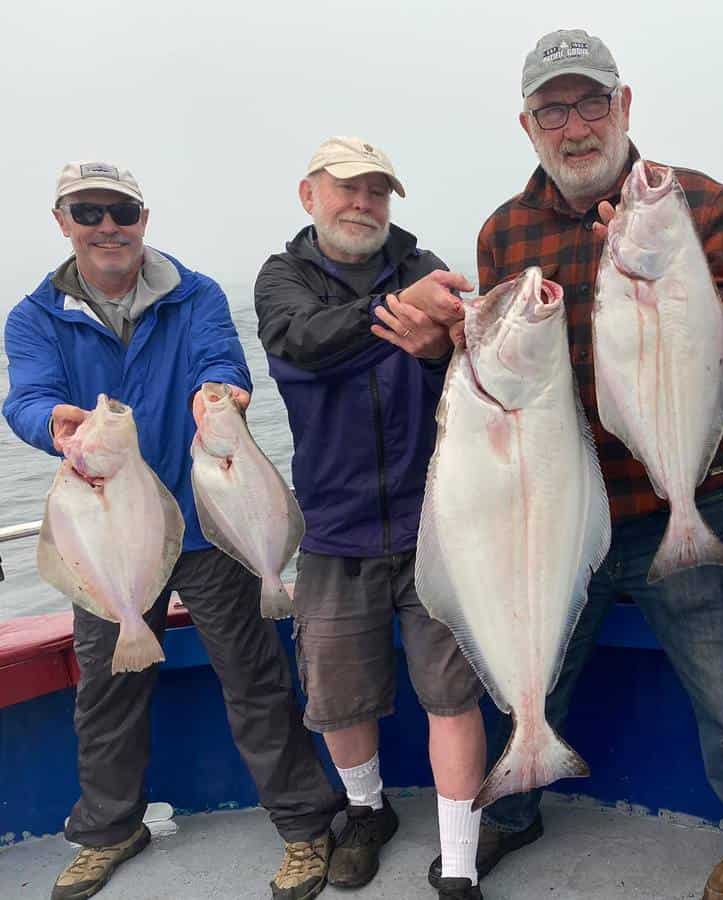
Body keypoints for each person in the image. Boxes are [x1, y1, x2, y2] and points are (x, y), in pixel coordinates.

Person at [429, 30, 723, 900]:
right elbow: (496, 369)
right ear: (527, 125)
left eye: (591, 102)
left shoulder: (693, 200)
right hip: (558, 515)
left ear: (625, 105)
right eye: (553, 110)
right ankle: (515, 812)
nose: (576, 127)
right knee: (535, 679)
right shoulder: (505, 232)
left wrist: (667, 274)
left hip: (684, 500)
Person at [2, 161, 345, 900]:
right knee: (105, 690)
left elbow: (219, 357)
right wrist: (51, 423)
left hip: (202, 528)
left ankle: (304, 827)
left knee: (254, 680)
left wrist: (217, 393)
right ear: (63, 222)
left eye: (119, 209)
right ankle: (108, 829)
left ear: (143, 217)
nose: (106, 226)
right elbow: (26, 396)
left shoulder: (194, 295)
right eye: (87, 212)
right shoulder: (36, 316)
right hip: (108, 532)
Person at [253, 137, 488, 900]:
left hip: (436, 525)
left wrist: (432, 350)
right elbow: (299, 345)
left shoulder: (426, 269)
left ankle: (459, 860)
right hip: (333, 529)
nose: (363, 204)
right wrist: (397, 317)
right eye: (348, 189)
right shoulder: (282, 278)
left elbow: (470, 375)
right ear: (308, 195)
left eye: (378, 193)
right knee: (337, 695)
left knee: (453, 694)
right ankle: (365, 811)